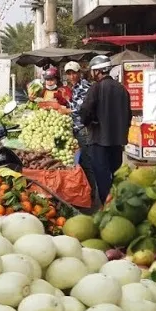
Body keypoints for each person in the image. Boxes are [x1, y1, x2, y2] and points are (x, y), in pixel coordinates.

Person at [79, 54, 132, 203]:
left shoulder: (95, 88)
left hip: (99, 141)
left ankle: (106, 206)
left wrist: (88, 123)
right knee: (116, 175)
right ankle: (118, 203)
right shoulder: (122, 89)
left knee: (102, 178)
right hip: (117, 142)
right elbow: (128, 115)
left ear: (97, 71)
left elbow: (85, 112)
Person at [64, 62, 97, 205]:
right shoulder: (74, 87)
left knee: (87, 162)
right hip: (76, 129)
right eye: (69, 73)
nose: (72, 76)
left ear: (79, 73)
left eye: (74, 73)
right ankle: (85, 193)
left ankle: (92, 194)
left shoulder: (84, 87)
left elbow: (83, 109)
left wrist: (64, 109)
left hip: (83, 130)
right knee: (81, 163)